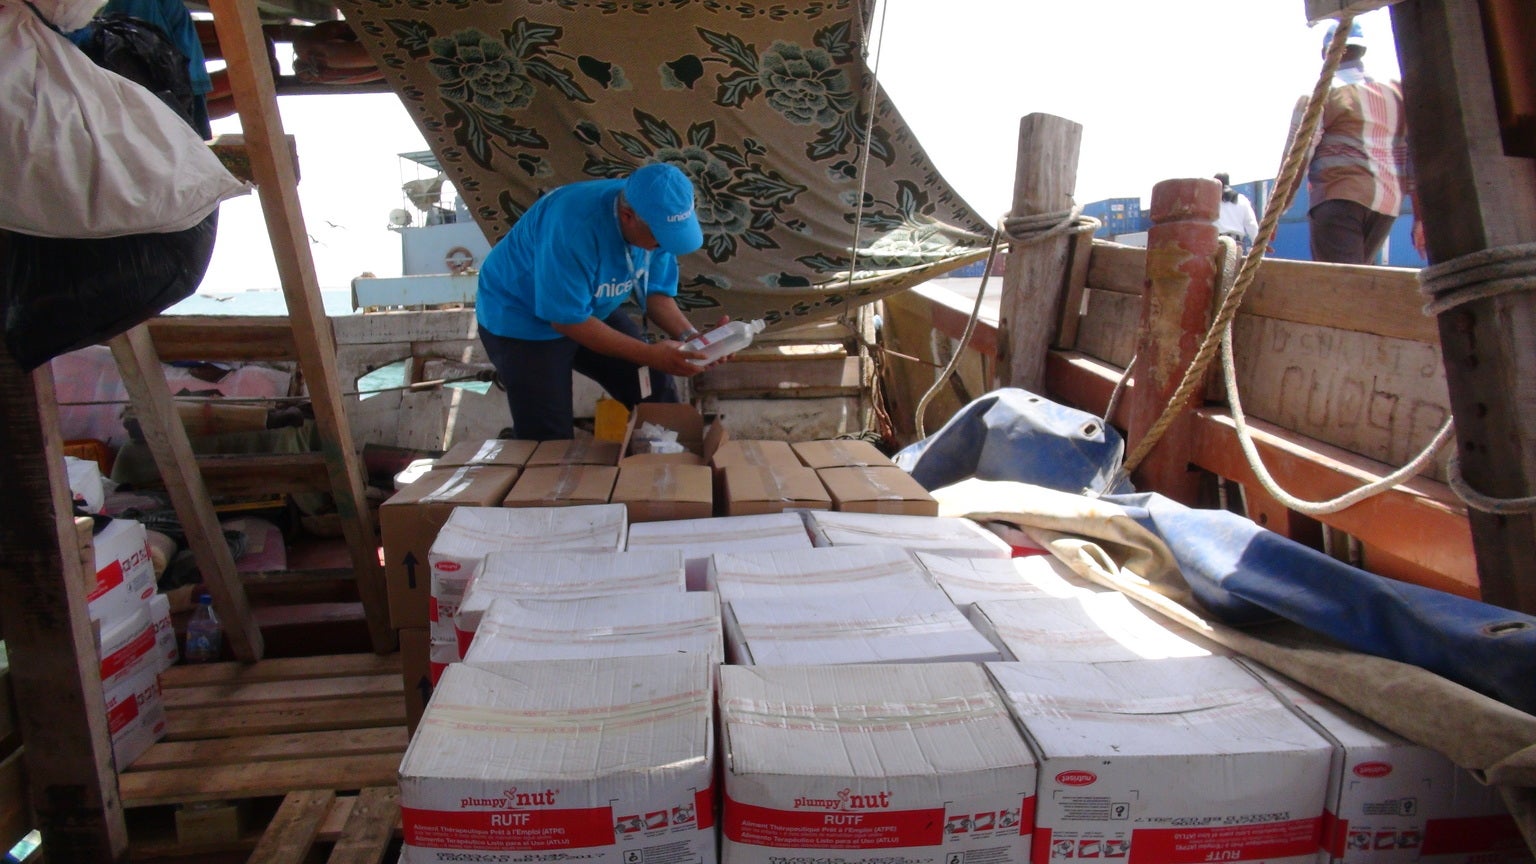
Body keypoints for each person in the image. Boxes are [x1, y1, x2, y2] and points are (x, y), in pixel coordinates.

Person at [476, 162, 712, 441]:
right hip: (521, 318)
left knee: (656, 390)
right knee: (548, 438)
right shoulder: (573, 226)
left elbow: (655, 292)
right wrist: (650, 354)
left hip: (590, 307)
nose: (664, 246)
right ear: (627, 216)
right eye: (660, 239)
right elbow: (567, 321)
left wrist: (691, 338)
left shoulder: (654, 215)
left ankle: (669, 463)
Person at [1285, 20, 1413, 265]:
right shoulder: (1395, 93)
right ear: (1362, 50)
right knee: (1360, 276)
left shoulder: (1323, 94)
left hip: (1339, 196)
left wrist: (1278, 211)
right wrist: (1419, 218)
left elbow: (1297, 155)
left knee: (1338, 282)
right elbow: (1413, 154)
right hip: (1386, 206)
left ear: (1326, 53)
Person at [1213, 172, 1259, 251]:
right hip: (1235, 245)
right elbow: (1252, 224)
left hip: (1215, 244)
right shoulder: (1242, 200)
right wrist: (1258, 245)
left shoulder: (1209, 201)